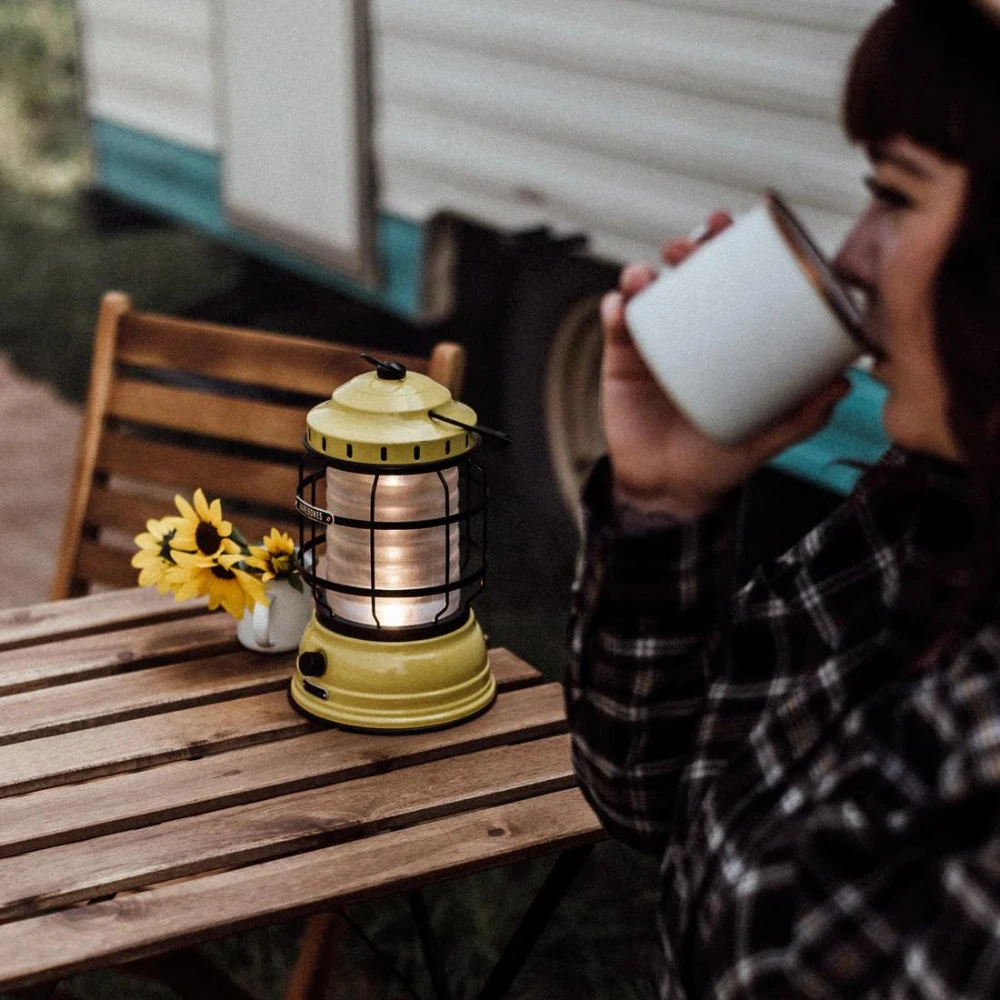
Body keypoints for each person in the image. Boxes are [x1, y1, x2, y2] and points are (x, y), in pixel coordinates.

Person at [566, 1, 1000, 996]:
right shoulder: (917, 527)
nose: (850, 258)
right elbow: (649, 791)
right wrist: (663, 500)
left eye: (896, 195)